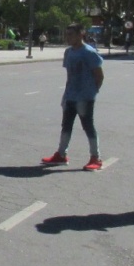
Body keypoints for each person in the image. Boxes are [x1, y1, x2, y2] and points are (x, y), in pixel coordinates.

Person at [41, 23, 104, 171]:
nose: (68, 37)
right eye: (67, 34)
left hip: (85, 97)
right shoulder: (68, 52)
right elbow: (69, 75)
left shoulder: (89, 52)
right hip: (70, 96)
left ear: (80, 34)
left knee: (88, 127)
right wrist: (66, 95)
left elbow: (99, 76)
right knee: (66, 126)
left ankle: (96, 157)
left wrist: (91, 93)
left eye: (71, 34)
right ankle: (61, 155)